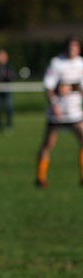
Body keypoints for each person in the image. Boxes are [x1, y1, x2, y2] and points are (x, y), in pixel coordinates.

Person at [35, 36, 83, 188]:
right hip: (58, 112)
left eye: (75, 47)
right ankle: (40, 177)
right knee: (48, 143)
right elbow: (49, 86)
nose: (72, 50)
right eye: (70, 47)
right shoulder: (56, 63)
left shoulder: (81, 63)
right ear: (65, 48)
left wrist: (72, 88)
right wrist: (53, 103)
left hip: (74, 111)